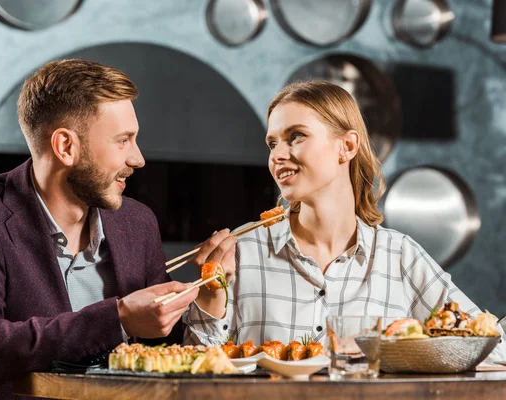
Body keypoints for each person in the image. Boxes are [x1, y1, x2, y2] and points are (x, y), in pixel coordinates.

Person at [0, 59, 199, 399]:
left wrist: (210, 297)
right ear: (65, 146)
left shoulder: (137, 222)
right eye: (123, 140)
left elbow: (165, 349)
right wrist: (117, 319)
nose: (138, 158)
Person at [183, 80, 506, 362]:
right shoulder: (241, 253)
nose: (277, 155)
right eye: (272, 143)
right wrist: (211, 296)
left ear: (347, 146)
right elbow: (197, 367)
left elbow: (490, 345)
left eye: (296, 136)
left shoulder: (400, 256)